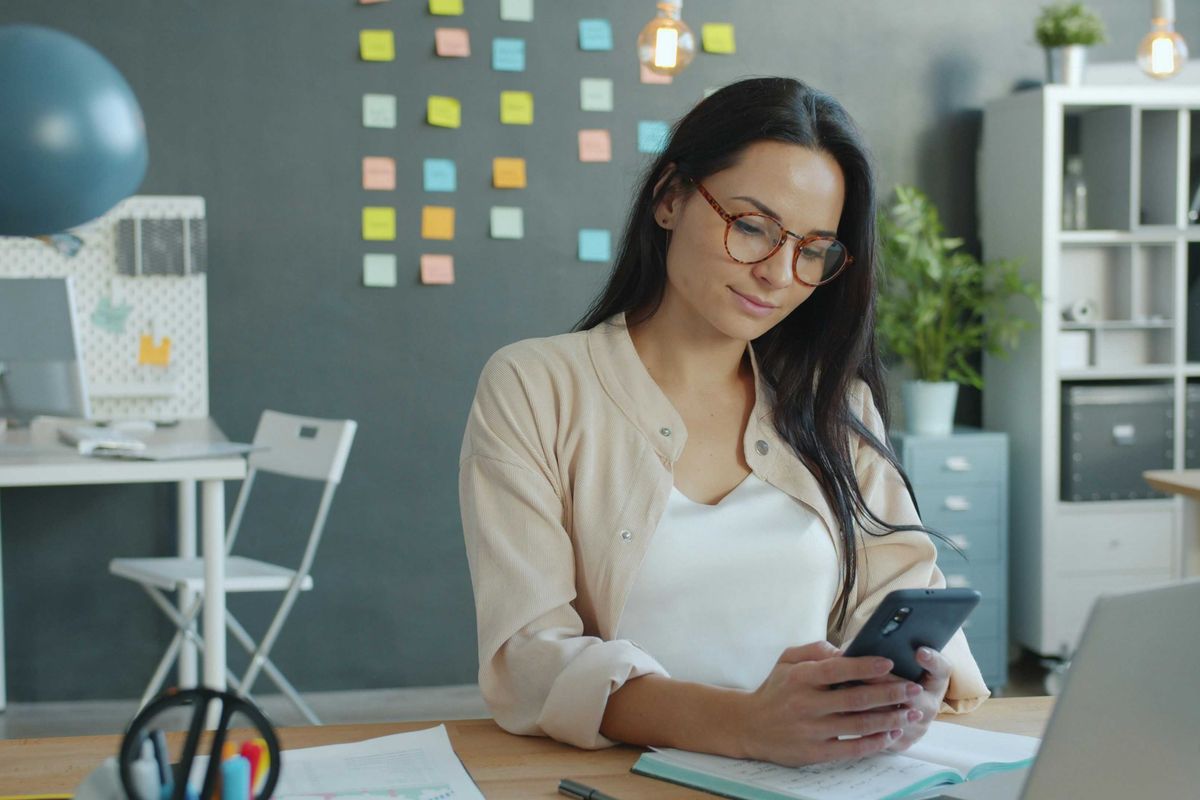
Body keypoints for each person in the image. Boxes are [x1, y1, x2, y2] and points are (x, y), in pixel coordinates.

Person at [458, 76, 988, 767]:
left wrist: (910, 679)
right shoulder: (536, 385)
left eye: (812, 248)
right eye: (752, 226)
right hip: (621, 777)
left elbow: (899, 593)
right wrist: (742, 726)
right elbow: (527, 653)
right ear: (670, 197)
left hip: (822, 777)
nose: (777, 273)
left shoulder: (836, 403)